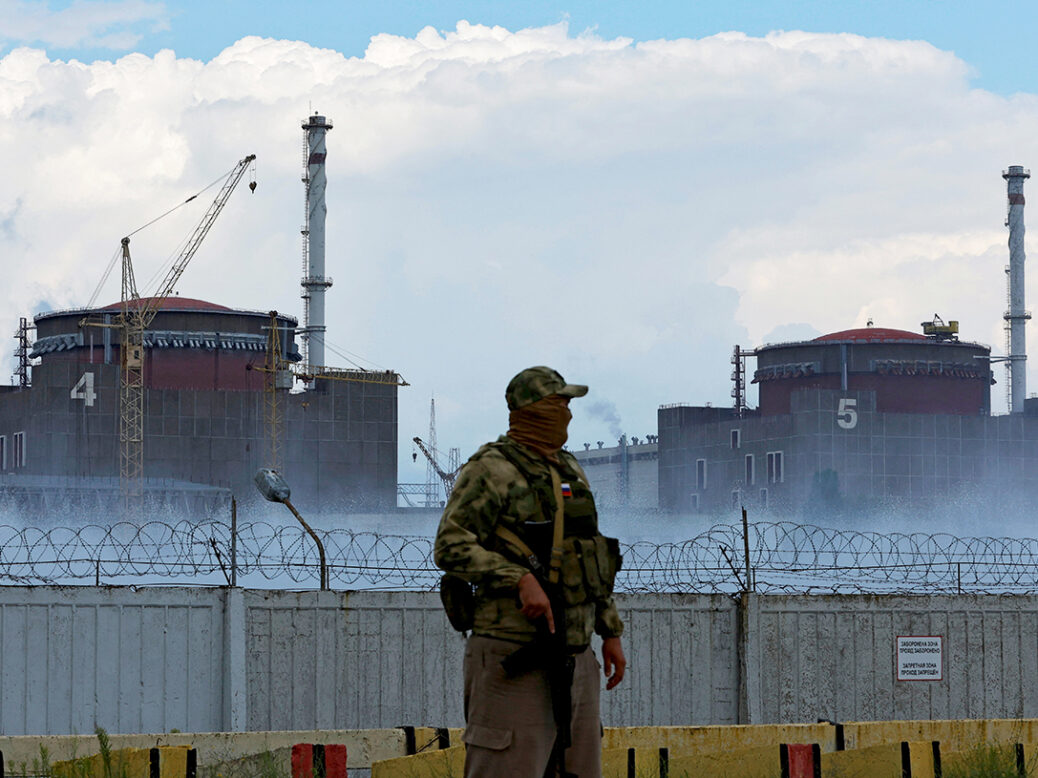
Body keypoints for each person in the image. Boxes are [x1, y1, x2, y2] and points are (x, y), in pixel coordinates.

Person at [434, 366, 626, 778]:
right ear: (533, 410)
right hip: (513, 656)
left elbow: (589, 554)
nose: (568, 414)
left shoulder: (570, 470)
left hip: (576, 658)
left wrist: (609, 631)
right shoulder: (490, 470)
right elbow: (451, 545)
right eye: (559, 404)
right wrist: (517, 578)